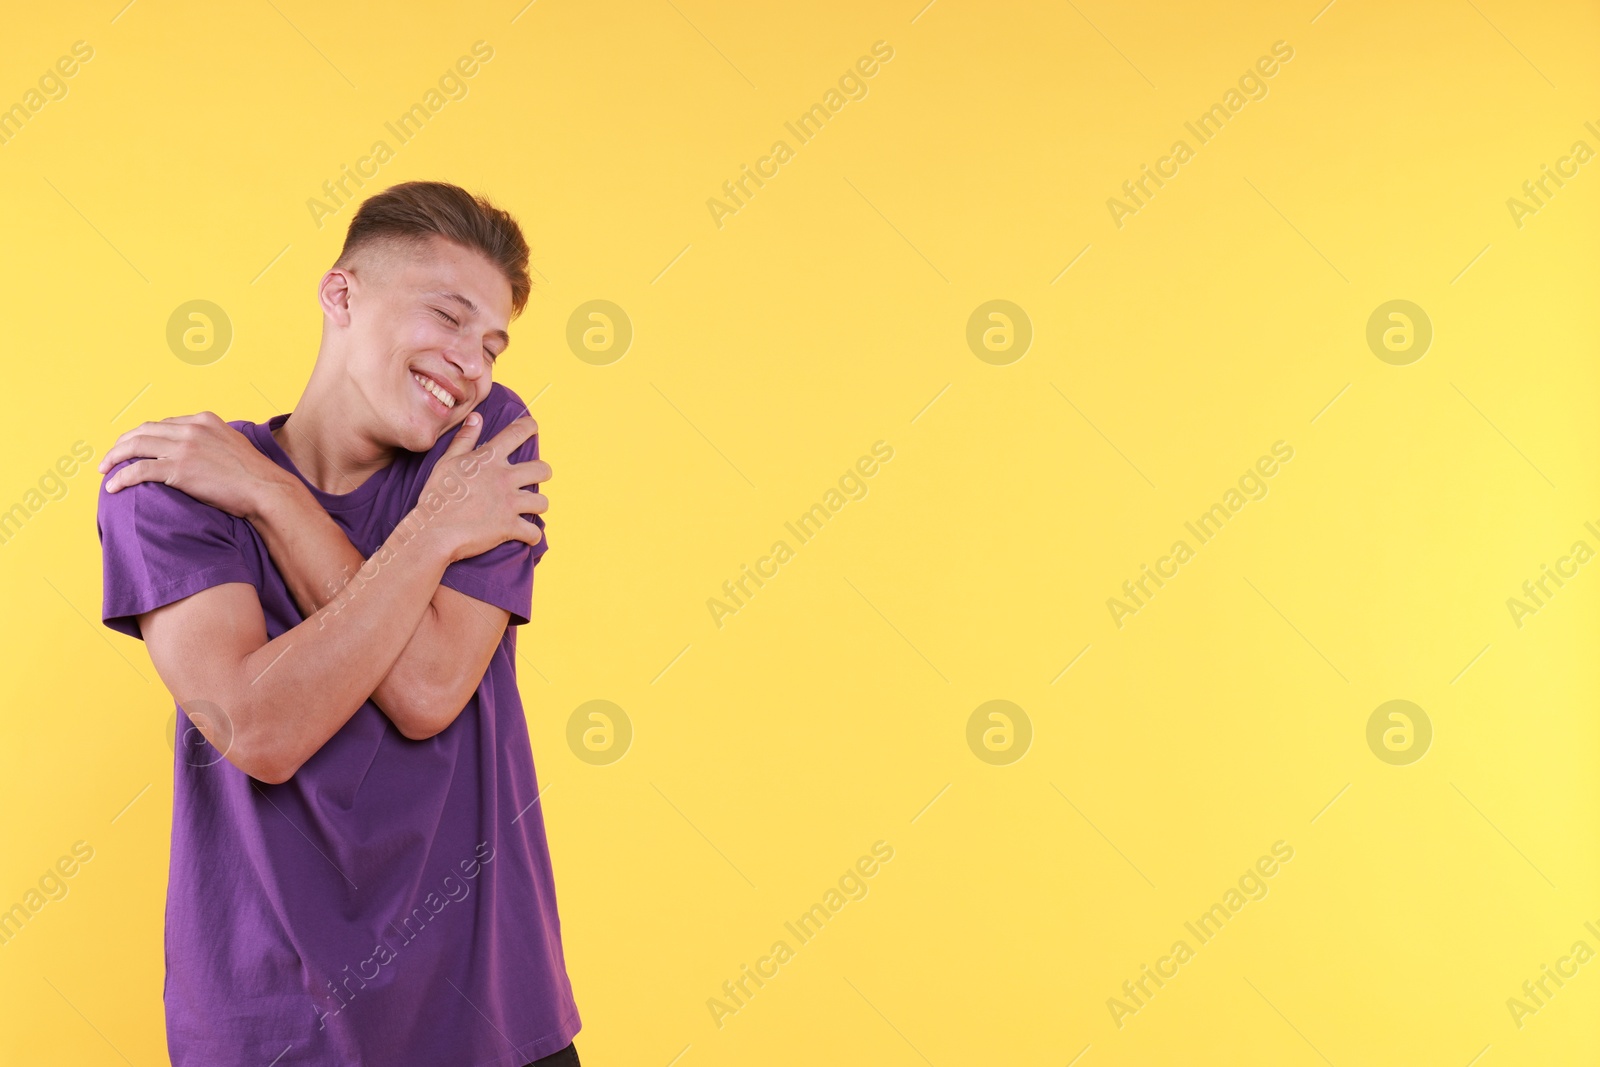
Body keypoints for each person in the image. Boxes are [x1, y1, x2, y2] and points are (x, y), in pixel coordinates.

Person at [95, 180, 582, 1066]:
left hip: (491, 1023)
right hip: (273, 1031)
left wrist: (273, 494)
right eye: (448, 315)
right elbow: (259, 729)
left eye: (493, 343)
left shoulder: (486, 446)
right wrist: (423, 534)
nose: (472, 361)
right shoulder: (176, 486)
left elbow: (430, 687)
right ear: (340, 293)